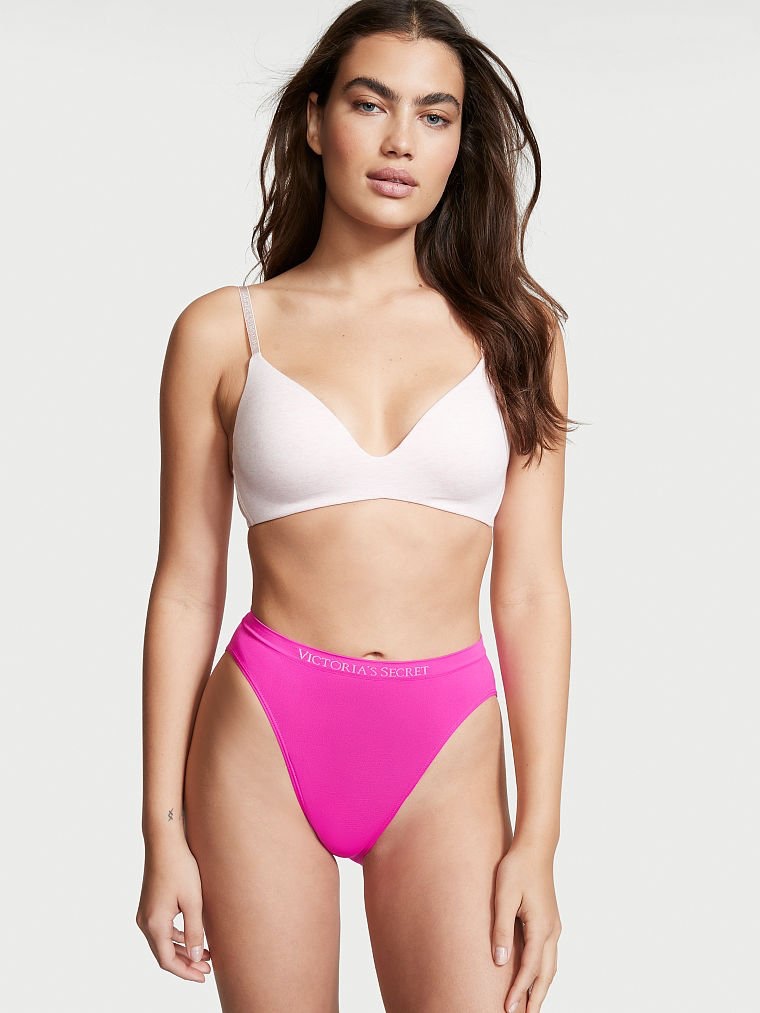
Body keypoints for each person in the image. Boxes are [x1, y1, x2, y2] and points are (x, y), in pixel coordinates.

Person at [136, 2, 574, 1010]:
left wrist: (538, 837)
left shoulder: (520, 334)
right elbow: (185, 586)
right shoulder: (223, 331)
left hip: (448, 745)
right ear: (314, 119)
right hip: (262, 732)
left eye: (434, 115)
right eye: (371, 104)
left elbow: (533, 593)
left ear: (460, 142)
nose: (399, 141)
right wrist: (162, 831)